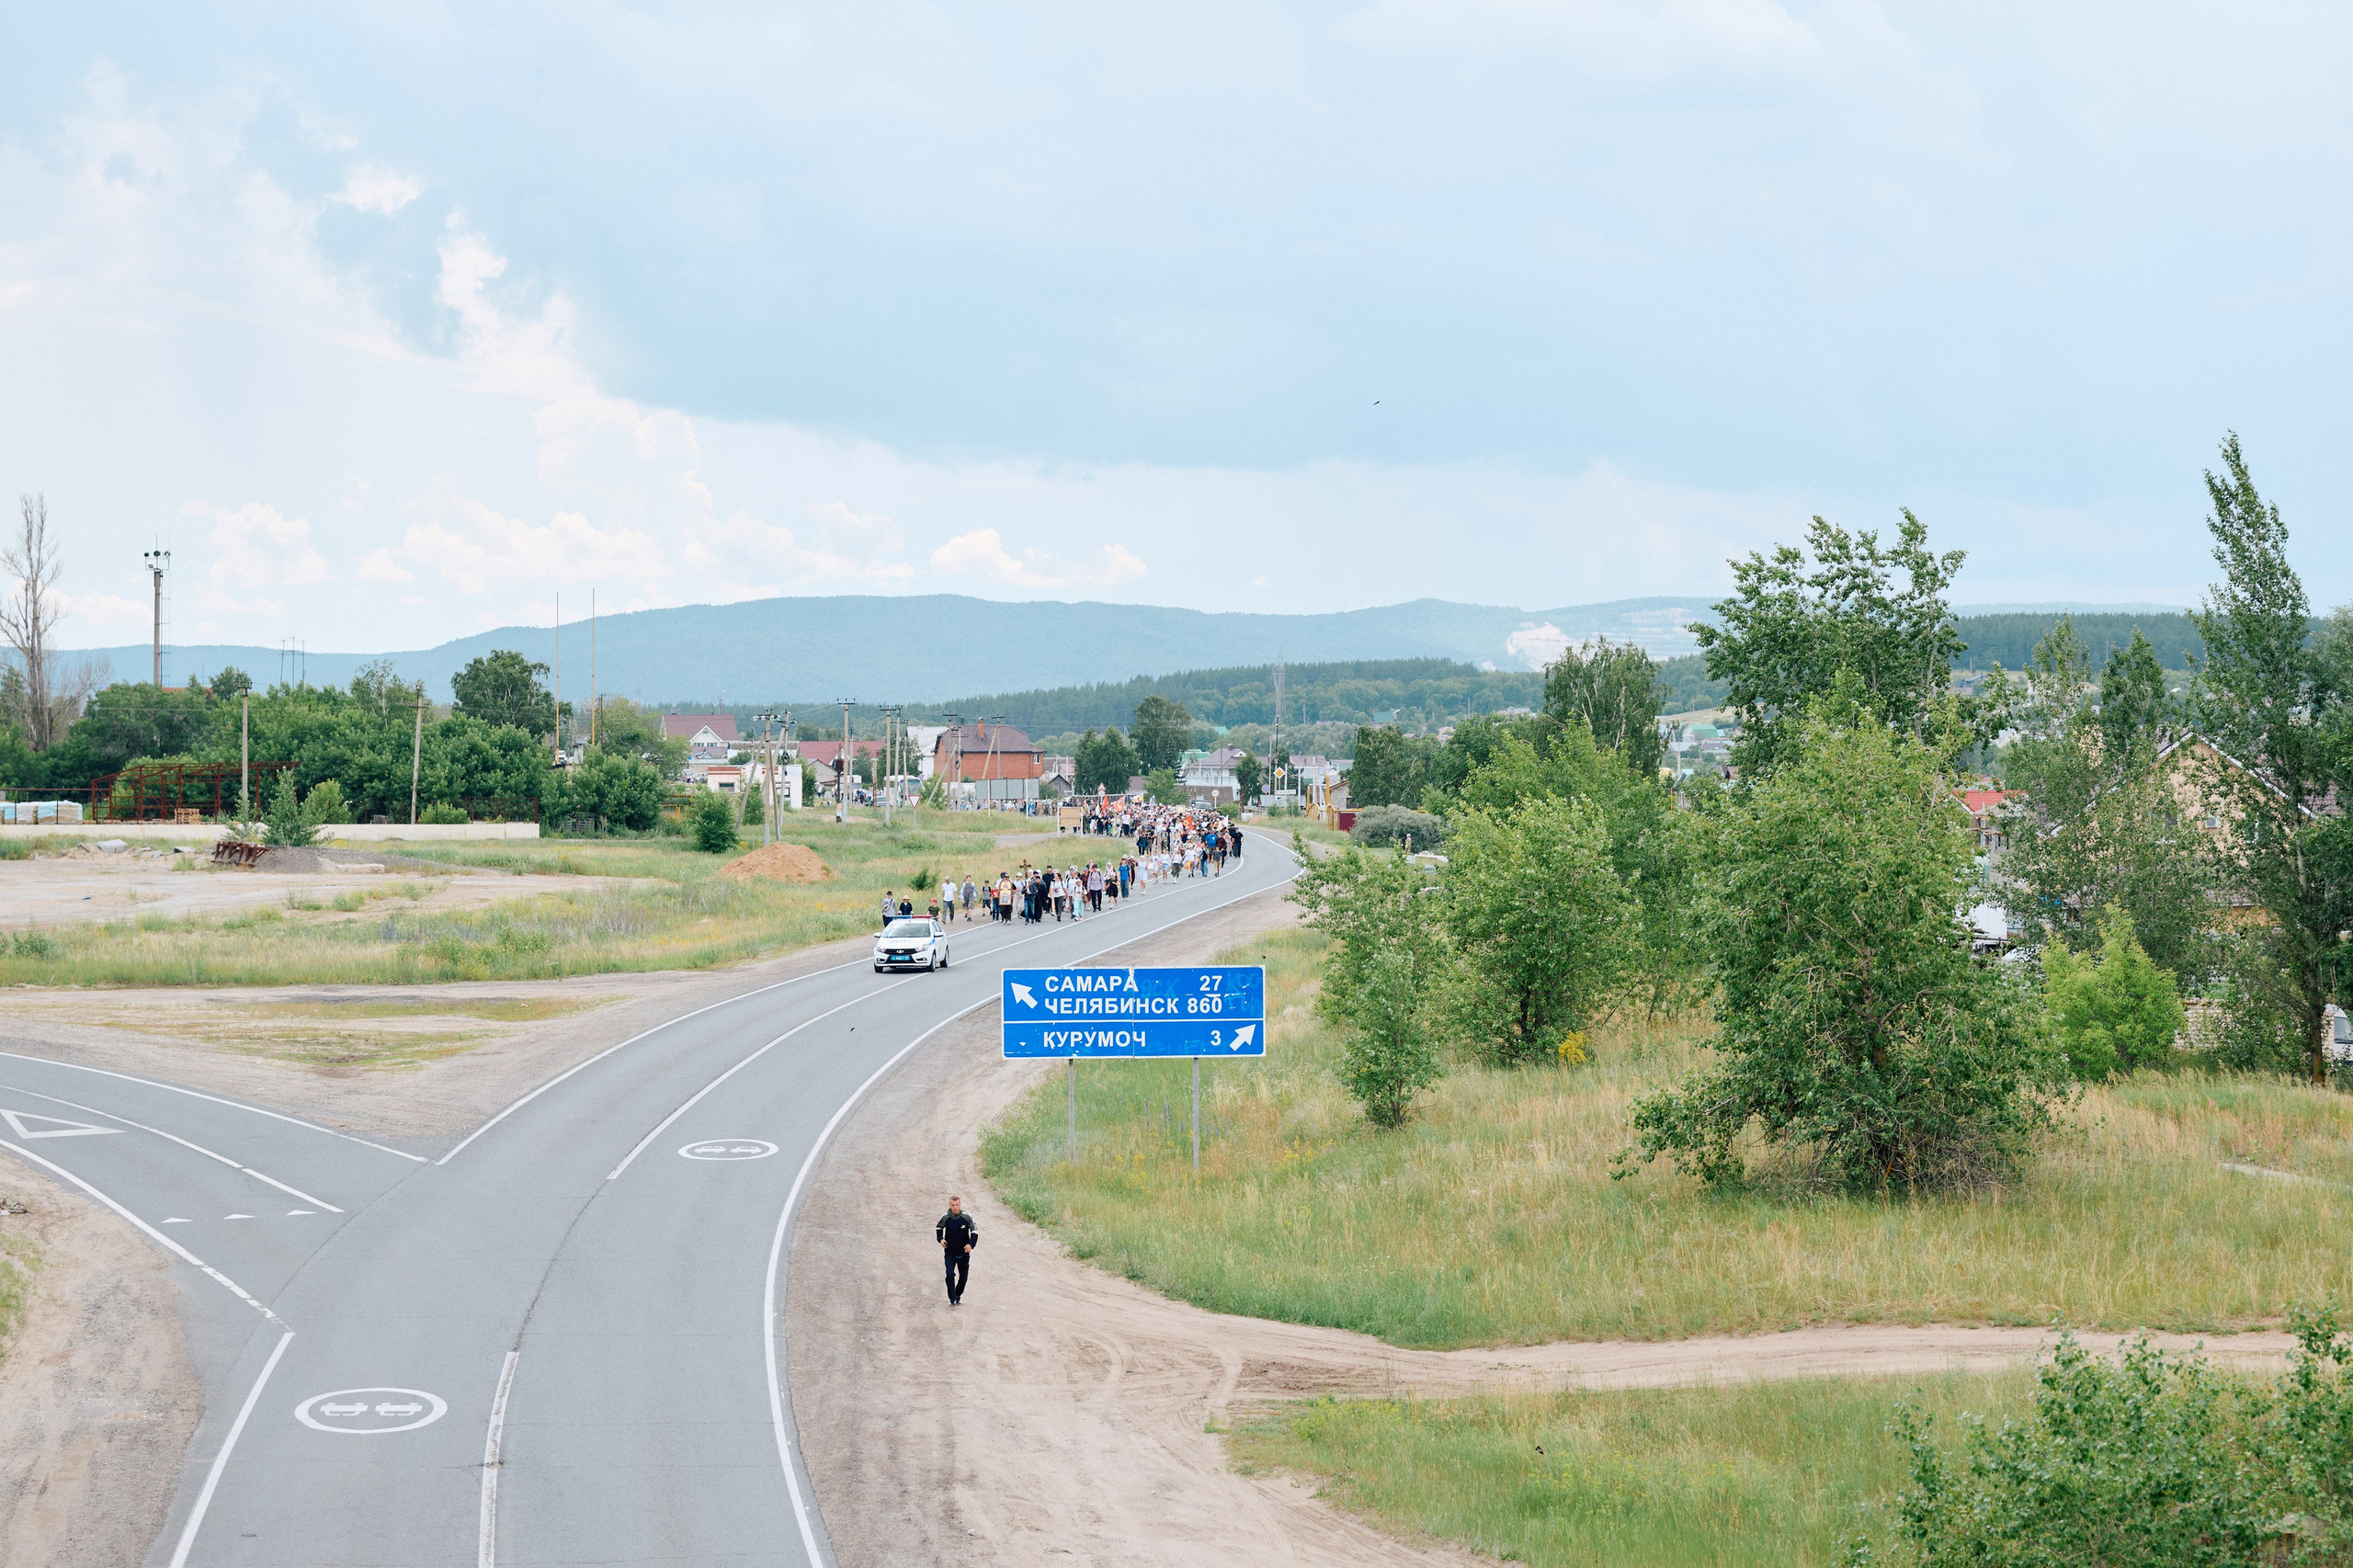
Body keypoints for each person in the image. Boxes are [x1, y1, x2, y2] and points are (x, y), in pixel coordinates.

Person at [937, 1195, 978, 1306]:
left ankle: (958, 1294)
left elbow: (975, 1231)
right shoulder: (945, 1217)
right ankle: (952, 1298)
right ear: (950, 1205)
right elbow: (939, 1228)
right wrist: (941, 1239)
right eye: (953, 1205)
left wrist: (971, 1244)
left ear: (960, 1205)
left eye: (957, 1205)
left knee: (963, 1277)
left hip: (963, 1253)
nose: (955, 1207)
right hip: (950, 1252)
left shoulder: (967, 1217)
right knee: (950, 1274)